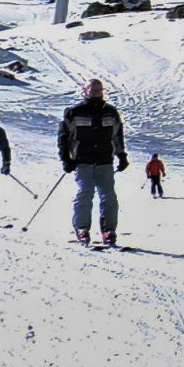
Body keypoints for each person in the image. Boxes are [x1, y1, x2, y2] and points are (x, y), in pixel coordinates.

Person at [58, 79, 129, 245]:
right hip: (83, 161)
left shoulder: (110, 112)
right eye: (92, 88)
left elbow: (117, 135)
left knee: (109, 196)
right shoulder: (74, 112)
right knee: (85, 194)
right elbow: (63, 137)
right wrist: (66, 159)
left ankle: (108, 231)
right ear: (85, 90)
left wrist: (121, 155)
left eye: (99, 89)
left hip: (104, 160)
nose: (96, 91)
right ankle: (82, 229)